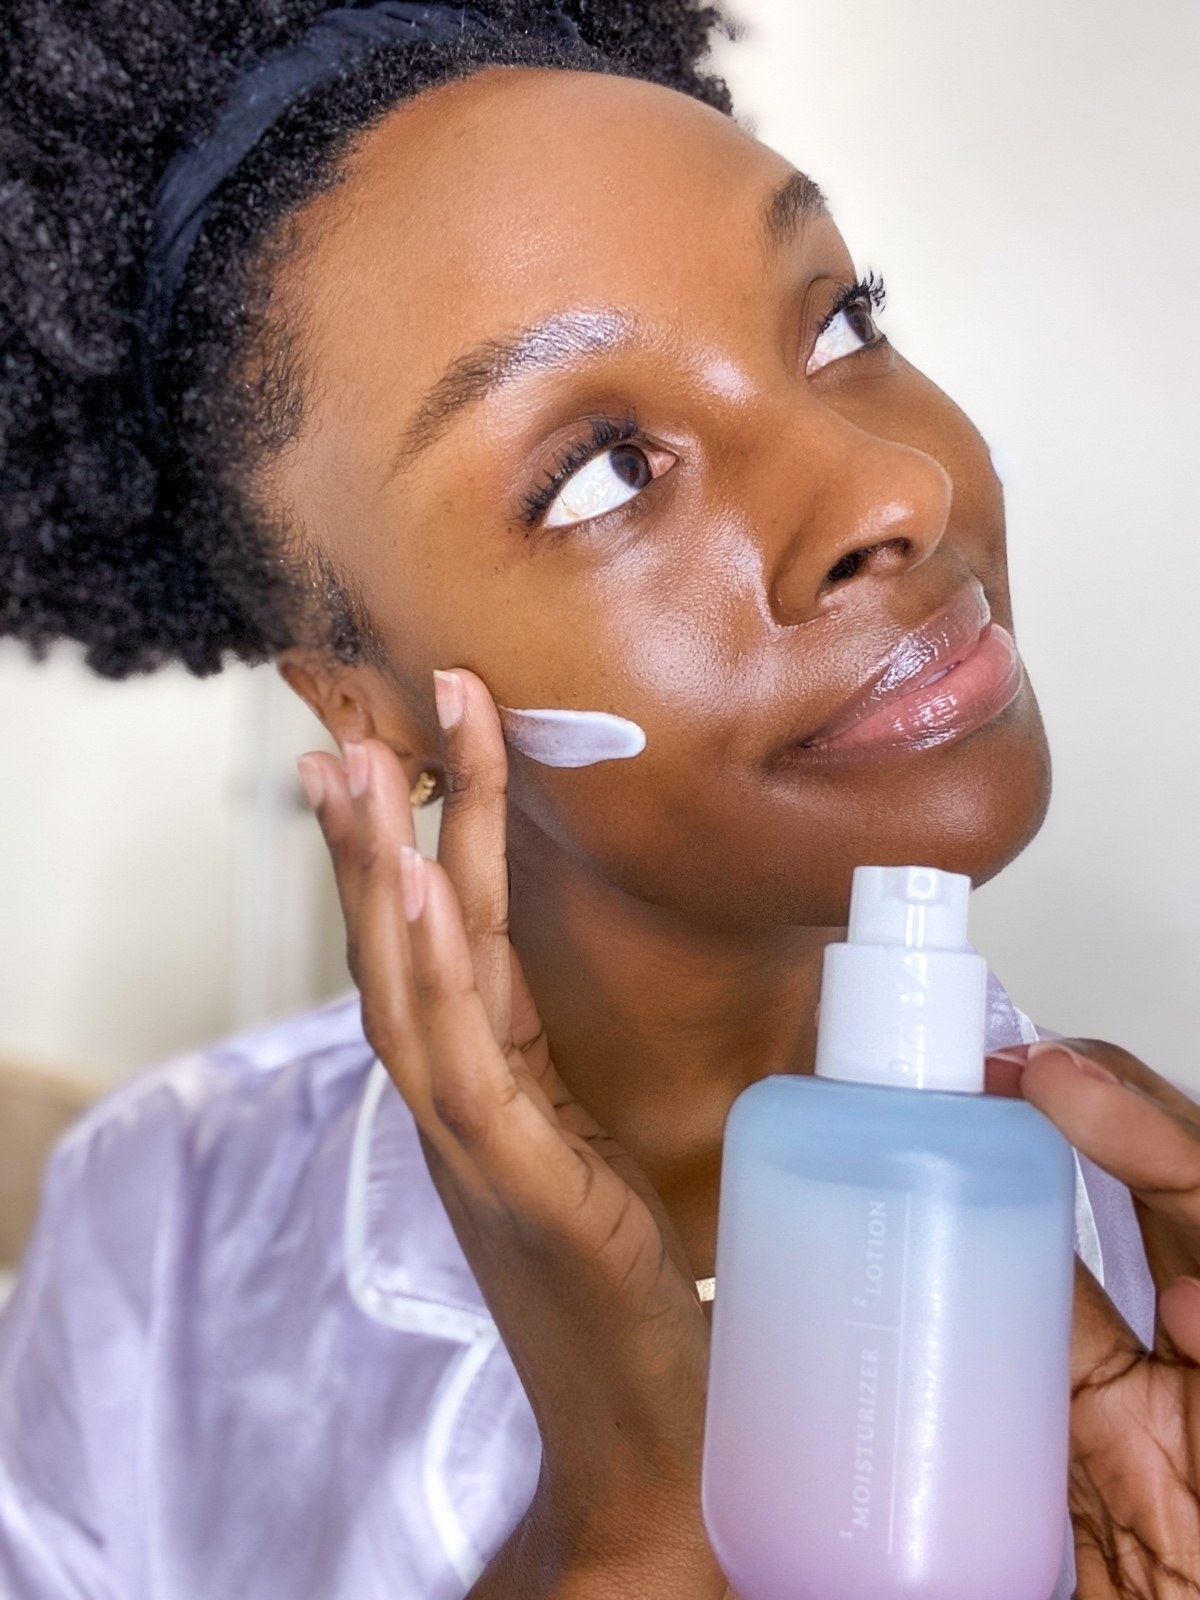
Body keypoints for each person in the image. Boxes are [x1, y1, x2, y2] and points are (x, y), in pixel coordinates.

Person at [1, 1, 1197, 1595]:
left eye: (841, 321)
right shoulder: (161, 1234)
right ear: (374, 712)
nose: (893, 488)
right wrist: (626, 1515)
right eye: (603, 472)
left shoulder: (1142, 1283)